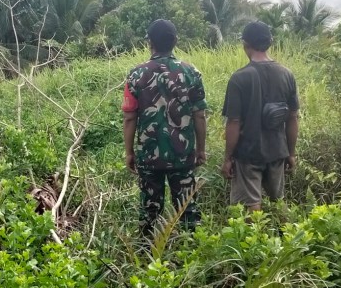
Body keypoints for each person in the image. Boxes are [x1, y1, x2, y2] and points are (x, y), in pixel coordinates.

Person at [122, 19, 207, 235]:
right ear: (175, 41)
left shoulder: (136, 74)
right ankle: (190, 246)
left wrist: (129, 152)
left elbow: (130, 118)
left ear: (150, 42)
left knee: (149, 211)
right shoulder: (191, 72)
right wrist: (200, 150)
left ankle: (148, 250)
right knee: (187, 209)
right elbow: (199, 115)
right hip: (183, 153)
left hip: (149, 154)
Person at [221, 20, 300, 210]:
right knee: (279, 202)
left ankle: (256, 232)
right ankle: (287, 230)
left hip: (248, 153)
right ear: (270, 42)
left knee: (251, 205)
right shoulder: (286, 74)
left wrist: (228, 158)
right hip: (277, 151)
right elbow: (293, 118)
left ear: (245, 44)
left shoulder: (239, 78)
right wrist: (291, 154)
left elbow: (233, 122)